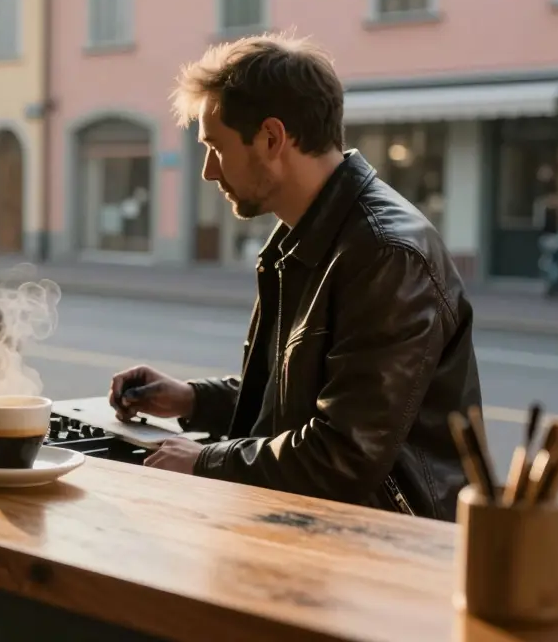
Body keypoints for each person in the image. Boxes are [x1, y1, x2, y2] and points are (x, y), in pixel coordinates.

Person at [110, 33, 482, 521]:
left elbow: (343, 453)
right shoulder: (306, 236)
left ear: (271, 138)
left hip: (388, 551)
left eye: (216, 147)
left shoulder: (386, 253)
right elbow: (296, 403)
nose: (207, 171)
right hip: (329, 529)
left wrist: (204, 461)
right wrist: (193, 399)